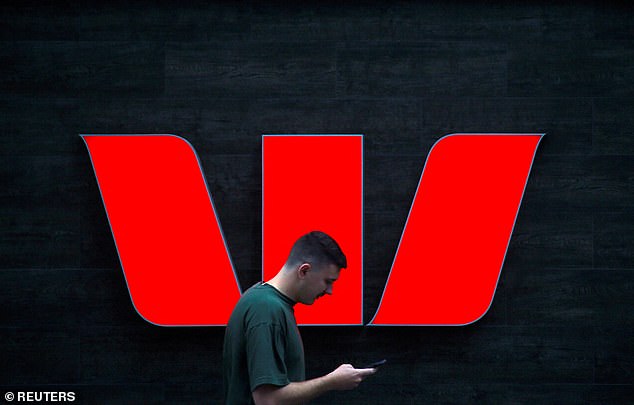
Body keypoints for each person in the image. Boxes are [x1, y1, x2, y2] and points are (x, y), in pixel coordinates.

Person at [223, 231, 376, 405]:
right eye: (328, 281)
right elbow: (267, 400)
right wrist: (331, 382)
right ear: (304, 271)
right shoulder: (266, 310)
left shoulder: (264, 302)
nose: (330, 291)